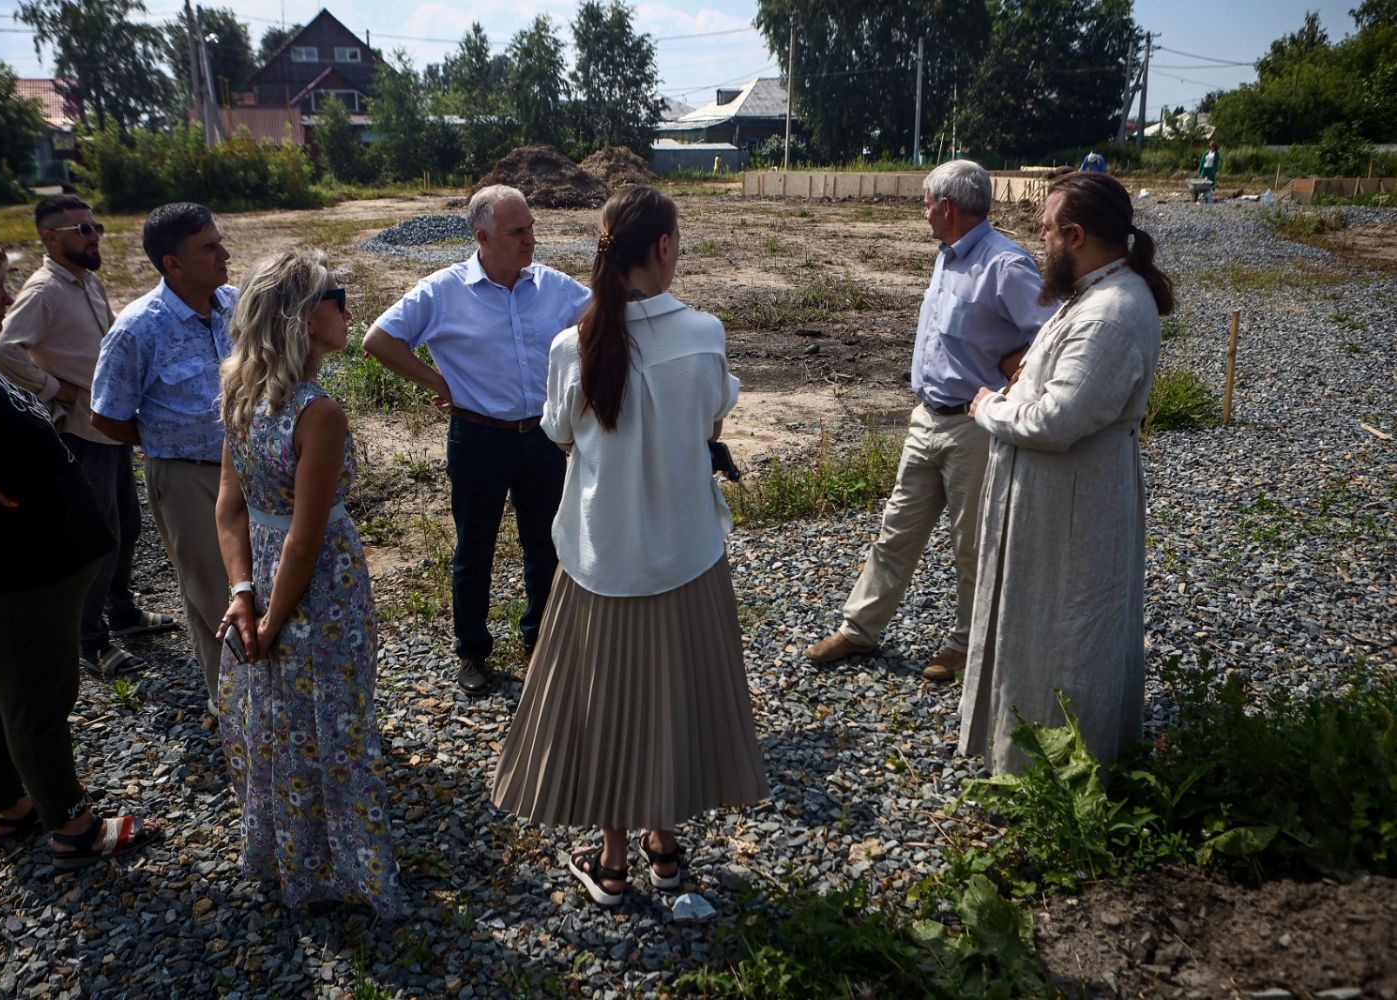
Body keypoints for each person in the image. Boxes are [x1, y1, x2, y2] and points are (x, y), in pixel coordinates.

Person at [491, 186, 767, 907]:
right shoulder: (704, 333)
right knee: (669, 701)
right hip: (686, 555)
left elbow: (557, 436)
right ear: (665, 248)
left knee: (605, 709)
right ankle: (665, 847)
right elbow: (709, 422)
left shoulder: (568, 345)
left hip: (598, 561)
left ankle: (611, 863)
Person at [0, 223, 161, 869]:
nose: (5, 294)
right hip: (3, 572)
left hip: (4, 569)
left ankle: (9, 807)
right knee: (40, 700)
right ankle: (73, 827)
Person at [805, 160, 1054, 681]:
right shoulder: (948, 256)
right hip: (927, 418)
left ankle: (966, 646)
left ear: (947, 207)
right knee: (896, 531)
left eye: (925, 203)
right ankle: (859, 629)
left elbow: (1052, 341)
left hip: (974, 427)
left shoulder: (1005, 265)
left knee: (972, 543)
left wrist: (1010, 369)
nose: (921, 212)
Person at [961, 172, 1173, 776]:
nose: (1039, 240)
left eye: (1046, 229)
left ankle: (1060, 772)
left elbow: (1058, 419)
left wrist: (989, 407)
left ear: (1075, 236)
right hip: (1059, 495)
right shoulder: (1095, 293)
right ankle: (1027, 757)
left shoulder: (1110, 312)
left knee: (1069, 627)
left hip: (1075, 500)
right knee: (1037, 621)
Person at [213, 249, 399, 915]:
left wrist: (242, 595)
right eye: (337, 296)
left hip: (260, 573)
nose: (349, 311)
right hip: (318, 588)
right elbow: (306, 537)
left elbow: (229, 509)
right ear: (301, 316)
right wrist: (271, 620)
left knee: (277, 720)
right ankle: (344, 867)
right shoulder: (318, 412)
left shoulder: (239, 388)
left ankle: (287, 851)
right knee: (336, 722)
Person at [364, 185, 590, 697]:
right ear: (483, 237)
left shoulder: (553, 287)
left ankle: (542, 641)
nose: (531, 239)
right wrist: (437, 382)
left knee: (548, 543)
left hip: (542, 438)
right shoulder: (443, 292)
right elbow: (378, 339)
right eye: (518, 232)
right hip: (478, 438)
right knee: (474, 549)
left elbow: (602, 319)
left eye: (531, 227)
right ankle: (471, 651)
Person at [0, 195, 176, 679]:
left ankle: (124, 614)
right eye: (81, 230)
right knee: (99, 536)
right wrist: (58, 389)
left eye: (95, 228)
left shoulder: (86, 282)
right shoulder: (44, 290)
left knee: (127, 527)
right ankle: (89, 641)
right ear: (50, 238)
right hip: (80, 432)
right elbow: (2, 348)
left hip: (106, 425)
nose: (93, 237)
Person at [92, 202, 238, 726]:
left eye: (220, 241)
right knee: (212, 591)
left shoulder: (234, 306)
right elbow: (106, 416)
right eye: (209, 247)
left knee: (257, 581)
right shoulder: (137, 329)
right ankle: (234, 706)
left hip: (247, 467)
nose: (224, 254)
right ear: (172, 264)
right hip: (187, 476)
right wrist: (164, 442)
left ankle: (266, 693)